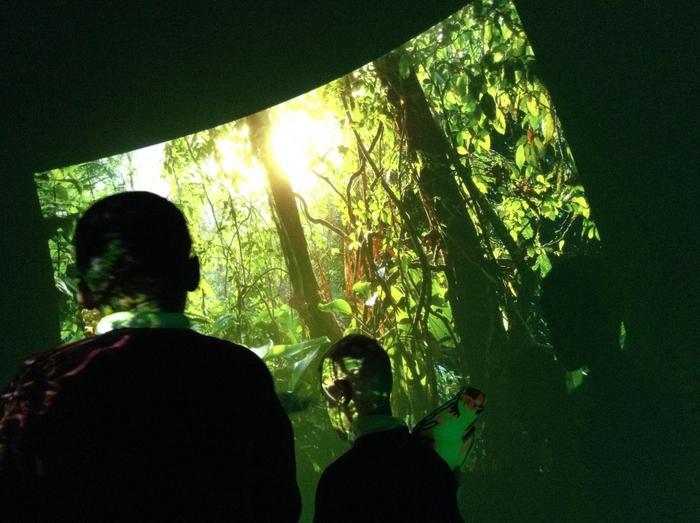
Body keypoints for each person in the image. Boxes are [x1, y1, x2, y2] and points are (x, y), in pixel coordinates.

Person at [0, 191, 301, 522]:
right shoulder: (241, 373)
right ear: (192, 273)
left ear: (82, 291)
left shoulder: (40, 380)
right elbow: (278, 504)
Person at [314, 334, 463, 523]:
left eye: (327, 397)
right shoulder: (434, 466)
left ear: (342, 393)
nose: (328, 408)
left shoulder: (339, 480)